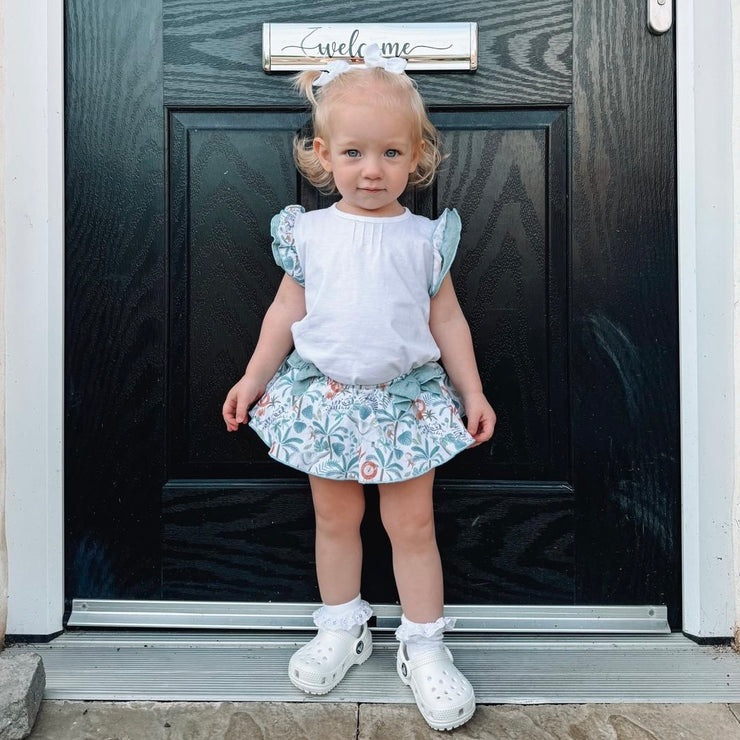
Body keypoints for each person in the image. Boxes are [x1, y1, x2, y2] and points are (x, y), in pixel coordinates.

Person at [222, 44, 496, 732]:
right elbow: (285, 314)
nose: (372, 171)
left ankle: (425, 646)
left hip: (406, 404)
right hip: (324, 403)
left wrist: (473, 392)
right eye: (353, 154)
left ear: (416, 156)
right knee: (335, 521)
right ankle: (342, 629)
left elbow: (449, 320)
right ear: (323, 154)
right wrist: (253, 378)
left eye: (390, 155)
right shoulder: (307, 235)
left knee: (413, 527)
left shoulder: (425, 239)